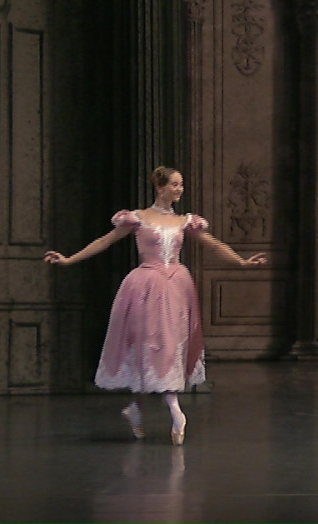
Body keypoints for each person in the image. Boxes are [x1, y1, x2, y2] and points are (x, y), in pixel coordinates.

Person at [44, 167, 266, 445]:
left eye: (181, 184)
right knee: (147, 344)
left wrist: (241, 262)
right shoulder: (137, 218)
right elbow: (105, 241)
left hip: (176, 287)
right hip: (145, 287)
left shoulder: (184, 221)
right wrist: (69, 259)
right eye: (175, 184)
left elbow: (213, 244)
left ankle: (144, 408)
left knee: (169, 344)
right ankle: (168, 409)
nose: (179, 189)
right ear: (160, 187)